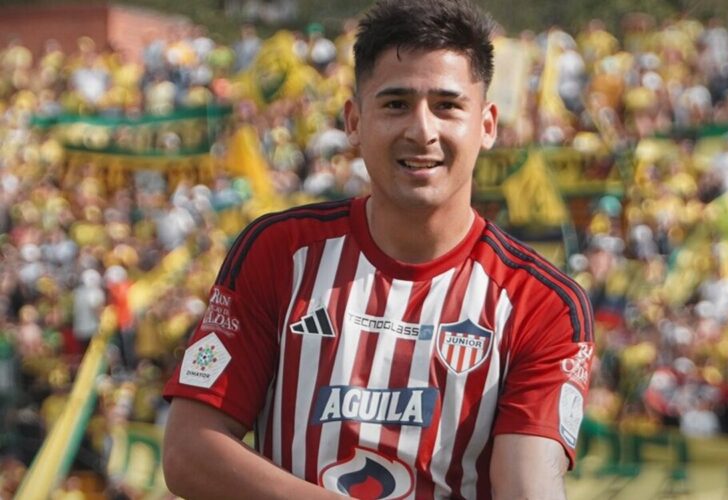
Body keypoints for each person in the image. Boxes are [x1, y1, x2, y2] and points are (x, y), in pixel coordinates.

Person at [161, 1, 594, 498]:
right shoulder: (279, 252)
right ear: (353, 120)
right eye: (395, 104)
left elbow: (527, 488)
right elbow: (188, 453)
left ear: (488, 125)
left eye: (448, 105)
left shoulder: (544, 303)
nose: (422, 130)